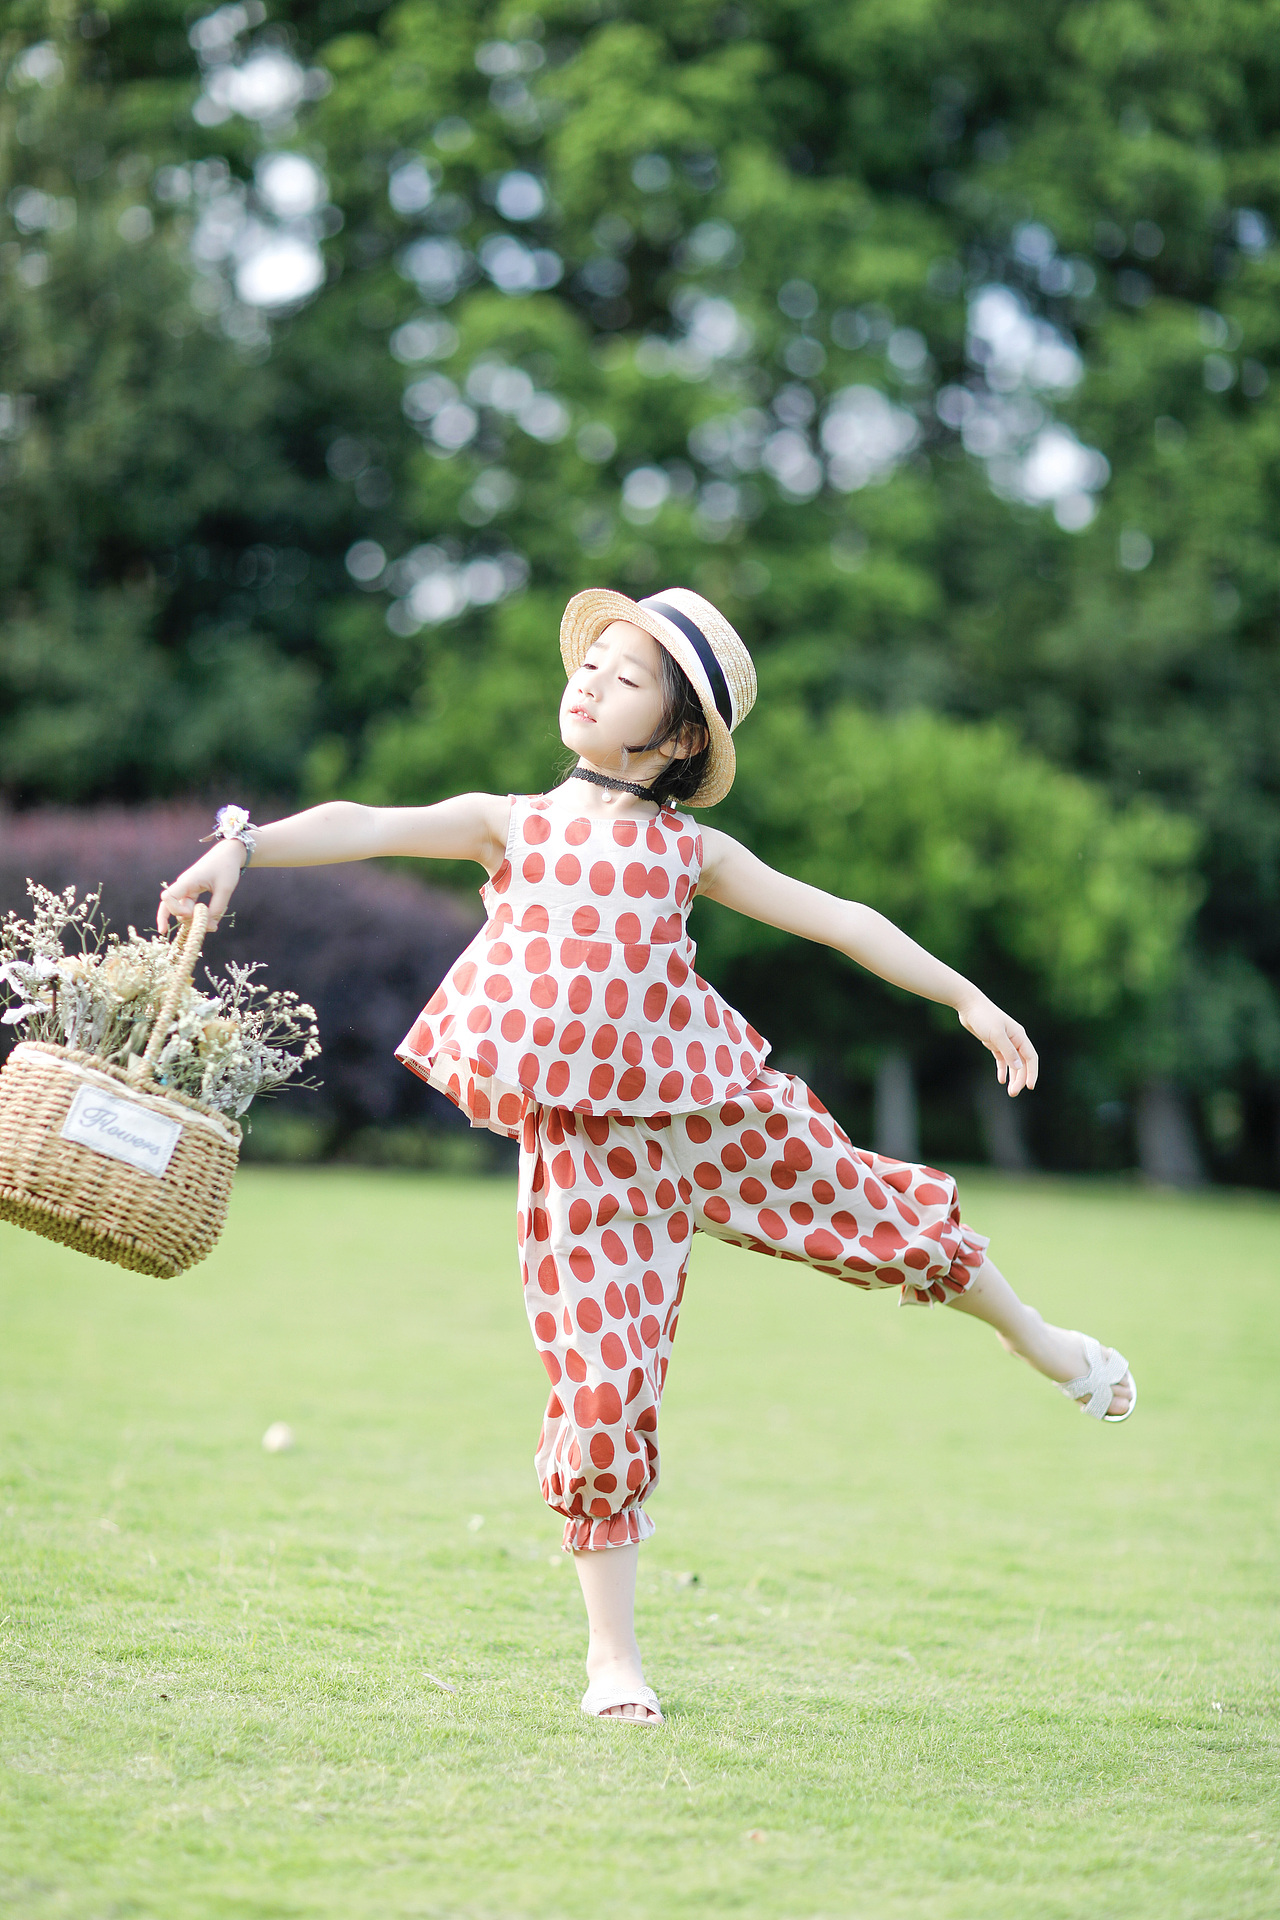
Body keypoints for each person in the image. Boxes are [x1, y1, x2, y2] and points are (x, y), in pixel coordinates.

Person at [158, 585, 1135, 1728]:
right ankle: (611, 1661)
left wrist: (965, 994)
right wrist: (241, 846)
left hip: (710, 1108)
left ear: (674, 738)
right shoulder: (509, 821)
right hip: (587, 1150)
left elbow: (838, 917)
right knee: (602, 1390)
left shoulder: (691, 850)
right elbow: (364, 821)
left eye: (624, 679)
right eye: (590, 665)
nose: (587, 682)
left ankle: (1042, 1342)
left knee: (882, 1217)